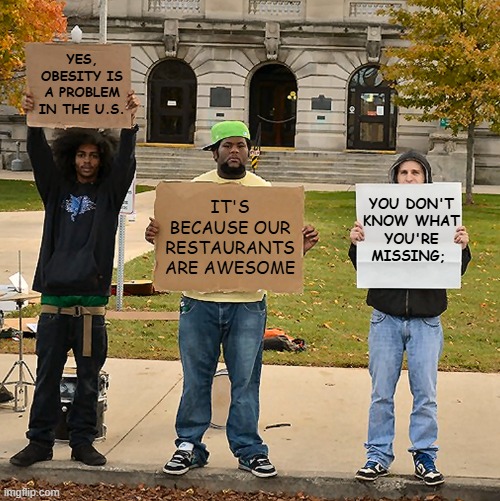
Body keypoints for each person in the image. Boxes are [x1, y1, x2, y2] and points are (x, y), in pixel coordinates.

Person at [145, 120, 319, 478]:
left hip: (248, 305)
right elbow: (179, 242)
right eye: (227, 146)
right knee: (196, 377)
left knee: (245, 380)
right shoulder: (191, 192)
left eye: (241, 145)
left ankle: (249, 449)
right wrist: (158, 238)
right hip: (198, 302)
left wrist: (297, 249)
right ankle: (189, 444)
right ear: (215, 152)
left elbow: (271, 250)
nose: (234, 151)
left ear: (249, 151)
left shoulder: (265, 192)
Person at [10, 90, 140, 467]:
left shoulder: (110, 193)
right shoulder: (55, 190)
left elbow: (127, 164)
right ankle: (40, 442)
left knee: (87, 378)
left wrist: (130, 124)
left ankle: (83, 441)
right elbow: (38, 157)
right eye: (81, 154)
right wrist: (33, 122)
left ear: (102, 159)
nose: (87, 161)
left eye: (94, 155)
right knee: (46, 376)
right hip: (53, 304)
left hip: (90, 306)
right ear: (72, 157)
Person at [348, 150, 471, 486]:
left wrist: (461, 246)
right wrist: (358, 243)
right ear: (395, 178)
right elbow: (366, 267)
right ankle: (377, 455)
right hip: (385, 318)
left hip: (426, 321)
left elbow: (453, 271)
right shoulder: (377, 215)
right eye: (404, 172)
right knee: (381, 392)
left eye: (416, 172)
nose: (410, 178)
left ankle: (425, 454)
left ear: (426, 178)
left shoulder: (443, 218)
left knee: (425, 393)